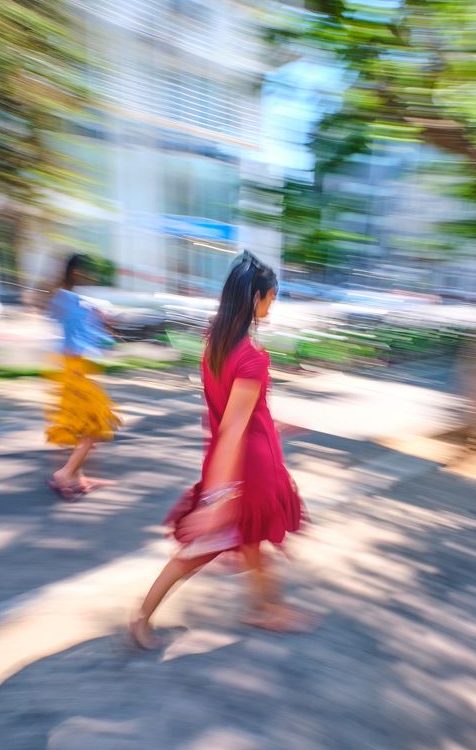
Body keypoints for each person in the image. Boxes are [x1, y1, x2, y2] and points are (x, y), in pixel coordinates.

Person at [129, 250, 311, 649]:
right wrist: (217, 500)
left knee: (251, 543)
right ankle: (141, 617)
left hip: (238, 465)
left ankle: (267, 609)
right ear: (256, 298)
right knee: (199, 552)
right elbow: (231, 430)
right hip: (244, 473)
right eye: (271, 297)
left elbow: (226, 414)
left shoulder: (215, 346)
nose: (272, 306)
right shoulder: (251, 357)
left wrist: (274, 426)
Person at [45, 253, 120, 499]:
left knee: (83, 426)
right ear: (75, 271)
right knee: (96, 426)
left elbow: (66, 326)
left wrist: (97, 321)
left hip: (72, 367)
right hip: (76, 369)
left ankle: (77, 476)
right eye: (86, 271)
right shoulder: (72, 300)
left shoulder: (62, 297)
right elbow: (88, 336)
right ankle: (65, 473)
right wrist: (103, 324)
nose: (90, 276)